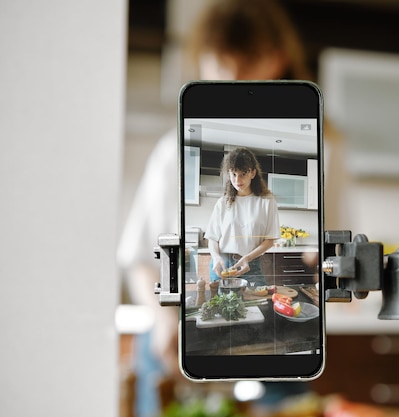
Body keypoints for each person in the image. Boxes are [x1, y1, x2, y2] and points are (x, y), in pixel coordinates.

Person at [117, 0, 350, 415]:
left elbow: (333, 257)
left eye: (246, 63)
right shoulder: (173, 150)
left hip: (273, 350)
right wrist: (163, 318)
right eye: (221, 63)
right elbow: (138, 258)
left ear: (278, 60)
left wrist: (316, 267)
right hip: (176, 346)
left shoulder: (321, 150)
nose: (232, 78)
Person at [205, 147, 280, 286]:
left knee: (257, 305)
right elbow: (212, 238)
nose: (237, 180)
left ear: (252, 173)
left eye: (243, 174)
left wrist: (247, 258)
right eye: (233, 174)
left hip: (251, 264)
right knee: (221, 306)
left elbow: (269, 239)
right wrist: (215, 258)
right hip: (223, 264)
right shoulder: (223, 202)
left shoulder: (267, 201)